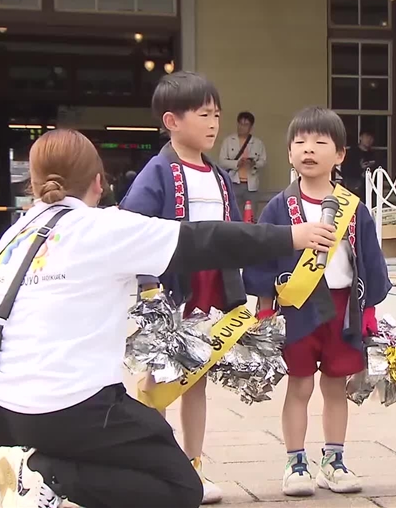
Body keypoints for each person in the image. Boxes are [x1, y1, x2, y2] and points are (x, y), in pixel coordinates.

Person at [0, 129, 336, 508]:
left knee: (135, 451)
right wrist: (291, 236)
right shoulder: (103, 227)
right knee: (180, 487)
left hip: (8, 408)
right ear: (99, 183)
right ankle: (45, 474)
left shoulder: (14, 235)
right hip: (77, 406)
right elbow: (204, 239)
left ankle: (41, 470)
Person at [243, 107, 391, 497]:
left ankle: (334, 460)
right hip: (296, 311)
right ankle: (295, 463)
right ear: (289, 153)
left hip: (343, 310)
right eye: (300, 142)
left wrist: (369, 313)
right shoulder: (278, 207)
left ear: (340, 154)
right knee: (300, 385)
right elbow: (262, 257)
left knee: (336, 386)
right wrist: (265, 310)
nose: (309, 149)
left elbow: (370, 262)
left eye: (320, 142)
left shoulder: (354, 209)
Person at [120, 71, 239, 504]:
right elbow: (132, 229)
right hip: (169, 291)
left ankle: (193, 467)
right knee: (159, 380)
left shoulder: (220, 176)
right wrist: (148, 288)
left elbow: (235, 234)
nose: (213, 123)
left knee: (196, 379)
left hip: (211, 288)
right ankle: (153, 467)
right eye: (204, 114)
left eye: (217, 115)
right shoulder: (156, 172)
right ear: (171, 121)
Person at [219, 111, 267, 215]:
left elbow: (263, 161)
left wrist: (253, 163)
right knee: (234, 213)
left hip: (251, 184)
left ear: (251, 127)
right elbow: (222, 161)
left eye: (246, 125)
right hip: (234, 182)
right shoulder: (229, 141)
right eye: (240, 124)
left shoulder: (258, 143)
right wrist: (237, 163)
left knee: (251, 214)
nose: (242, 127)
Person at [340, 129, 378, 199]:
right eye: (366, 136)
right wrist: (360, 168)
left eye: (371, 137)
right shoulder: (351, 153)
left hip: (369, 190)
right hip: (352, 190)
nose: (369, 139)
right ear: (360, 137)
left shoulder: (373, 155)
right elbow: (345, 171)